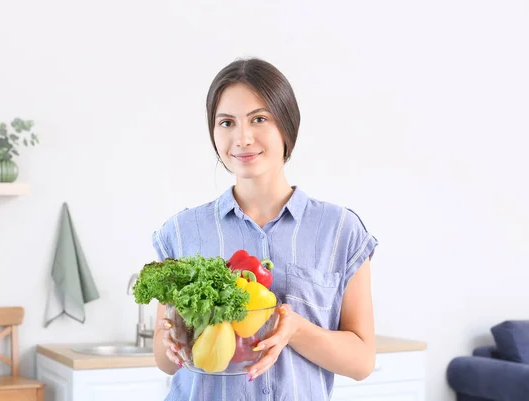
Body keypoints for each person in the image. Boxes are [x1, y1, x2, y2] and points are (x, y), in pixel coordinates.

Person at [151, 57, 378, 401]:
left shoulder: (339, 231)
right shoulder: (182, 232)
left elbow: (361, 361)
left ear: (286, 126)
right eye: (226, 122)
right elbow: (164, 362)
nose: (242, 137)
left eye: (259, 119)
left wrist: (296, 330)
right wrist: (172, 344)